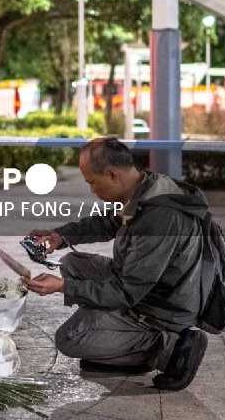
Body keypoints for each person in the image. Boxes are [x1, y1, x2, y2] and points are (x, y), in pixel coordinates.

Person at [24, 137, 210, 391]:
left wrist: (64, 287)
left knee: (69, 338)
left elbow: (126, 291)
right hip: (142, 286)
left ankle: (170, 346)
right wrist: (59, 236)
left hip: (161, 310)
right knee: (72, 263)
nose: (92, 190)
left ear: (111, 174)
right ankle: (115, 334)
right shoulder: (142, 187)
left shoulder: (159, 218)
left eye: (92, 182)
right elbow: (106, 223)